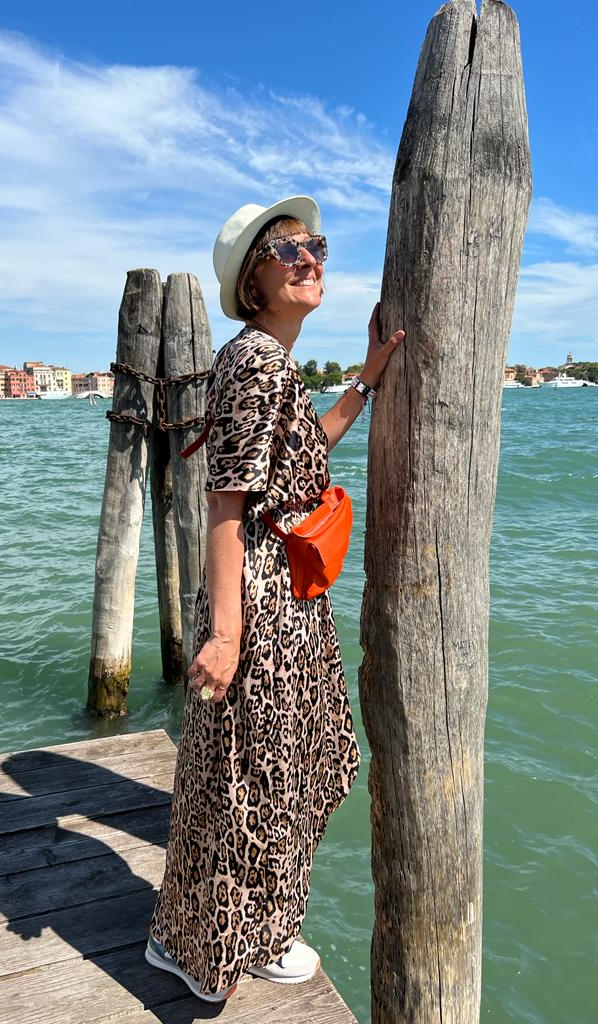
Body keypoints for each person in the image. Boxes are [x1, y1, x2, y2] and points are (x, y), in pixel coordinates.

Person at [146, 196, 405, 1002]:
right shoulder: (257, 362)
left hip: (279, 592)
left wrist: (364, 382)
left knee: (261, 770)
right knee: (255, 779)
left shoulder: (267, 362)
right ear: (253, 281)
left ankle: (221, 933)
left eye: (315, 246)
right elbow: (227, 500)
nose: (310, 259)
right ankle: (220, 945)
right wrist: (227, 635)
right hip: (260, 599)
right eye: (288, 251)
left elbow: (302, 450)